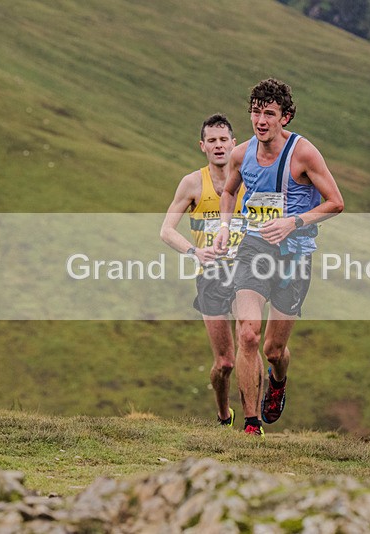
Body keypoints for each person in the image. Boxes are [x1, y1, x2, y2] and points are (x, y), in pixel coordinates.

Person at [213, 79, 344, 436]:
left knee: (272, 349)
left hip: (294, 255)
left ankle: (279, 379)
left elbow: (336, 202)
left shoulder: (304, 154)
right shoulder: (242, 153)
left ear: (285, 117)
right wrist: (225, 227)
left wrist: (294, 222)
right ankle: (251, 424)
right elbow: (228, 191)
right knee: (249, 335)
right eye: (255, 112)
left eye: (269, 113)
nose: (260, 120)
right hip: (253, 248)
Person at [160, 114, 246, 428]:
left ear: (234, 144)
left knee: (249, 341)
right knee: (225, 362)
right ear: (203, 146)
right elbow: (166, 230)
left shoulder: (250, 181)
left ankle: (253, 421)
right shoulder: (193, 183)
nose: (219, 145)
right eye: (212, 140)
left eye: (224, 140)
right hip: (211, 277)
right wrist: (195, 252)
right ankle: (225, 414)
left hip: (249, 274)